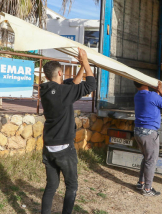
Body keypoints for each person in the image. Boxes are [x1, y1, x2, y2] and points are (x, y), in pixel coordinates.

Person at [40, 48, 96, 214]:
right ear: (59, 72)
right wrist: (86, 62)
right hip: (64, 148)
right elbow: (91, 84)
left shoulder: (46, 90)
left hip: (49, 147)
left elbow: (73, 84)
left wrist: (80, 67)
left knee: (51, 186)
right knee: (71, 185)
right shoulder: (64, 92)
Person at [133, 80, 162, 196]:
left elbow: (152, 102)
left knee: (146, 158)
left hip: (138, 131)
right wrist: (161, 91)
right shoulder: (152, 96)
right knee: (151, 161)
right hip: (149, 133)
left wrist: (156, 94)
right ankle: (148, 189)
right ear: (144, 83)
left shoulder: (137, 96)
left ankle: (141, 182)